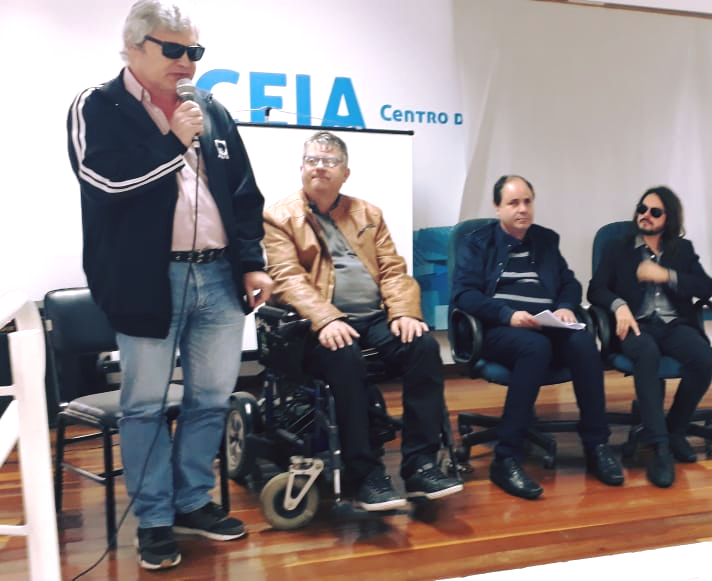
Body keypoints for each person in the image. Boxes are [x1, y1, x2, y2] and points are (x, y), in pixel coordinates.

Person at [66, 1, 274, 570]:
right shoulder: (98, 105)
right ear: (133, 47)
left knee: (209, 400)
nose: (187, 64)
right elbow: (104, 182)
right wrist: (172, 143)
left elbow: (243, 195)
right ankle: (154, 519)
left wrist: (252, 261)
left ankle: (190, 501)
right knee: (145, 405)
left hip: (218, 275)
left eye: (195, 53)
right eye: (173, 50)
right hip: (146, 281)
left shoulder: (211, 109)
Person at [263, 131, 463, 514]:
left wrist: (405, 311)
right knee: (345, 356)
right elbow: (288, 277)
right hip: (315, 327)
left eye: (329, 161)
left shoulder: (368, 214)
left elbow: (392, 270)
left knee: (422, 346)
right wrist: (325, 318)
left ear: (346, 173)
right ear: (302, 169)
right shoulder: (280, 216)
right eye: (311, 160)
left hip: (374, 319)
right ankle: (365, 473)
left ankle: (420, 464)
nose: (319, 166)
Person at [451, 175, 624, 500]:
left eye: (527, 201)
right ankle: (506, 458)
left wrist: (565, 307)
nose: (522, 209)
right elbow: (464, 295)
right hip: (497, 329)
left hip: (546, 324)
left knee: (584, 341)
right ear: (497, 207)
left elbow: (569, 282)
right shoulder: (477, 242)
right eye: (513, 203)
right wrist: (508, 315)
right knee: (535, 347)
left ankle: (596, 445)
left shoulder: (544, 240)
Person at [587, 187, 712, 488]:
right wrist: (618, 306)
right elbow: (596, 289)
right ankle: (660, 448)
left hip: (673, 324)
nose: (645, 215)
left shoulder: (681, 250)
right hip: (636, 325)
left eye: (655, 212)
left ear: (668, 218)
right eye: (642, 208)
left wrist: (666, 275)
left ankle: (675, 429)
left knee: (704, 360)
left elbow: (706, 287)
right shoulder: (618, 248)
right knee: (646, 353)